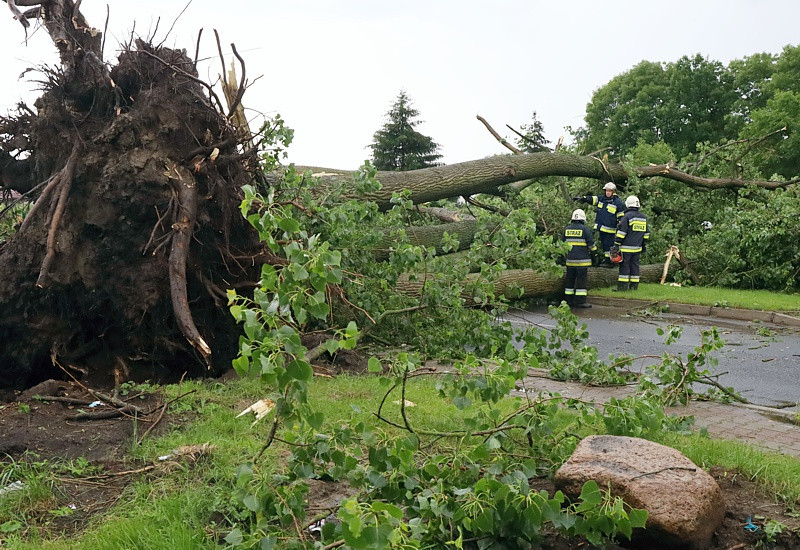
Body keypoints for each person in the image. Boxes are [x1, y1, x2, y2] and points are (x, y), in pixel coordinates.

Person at [574, 182, 625, 265]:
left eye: (609, 191)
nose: (607, 193)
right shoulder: (602, 199)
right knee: (604, 246)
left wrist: (620, 222)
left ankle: (610, 262)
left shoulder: (617, 202)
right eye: (606, 191)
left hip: (610, 229)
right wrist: (584, 198)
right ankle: (607, 260)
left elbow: (620, 215)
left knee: (609, 246)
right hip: (601, 228)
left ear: (613, 192)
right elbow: (593, 199)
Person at [562, 208, 597, 308]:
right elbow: (592, 246)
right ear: (583, 219)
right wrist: (595, 258)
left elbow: (561, 245)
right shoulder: (585, 230)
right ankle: (580, 301)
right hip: (582, 262)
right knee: (581, 282)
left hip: (570, 262)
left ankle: (568, 301)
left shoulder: (566, 229)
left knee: (569, 281)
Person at [614, 195, 649, 291]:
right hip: (637, 248)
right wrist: (643, 244)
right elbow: (646, 234)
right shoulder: (643, 217)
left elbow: (622, 232)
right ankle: (634, 287)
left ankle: (622, 288)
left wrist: (616, 244)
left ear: (628, 205)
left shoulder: (627, 216)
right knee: (635, 267)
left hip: (626, 248)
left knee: (624, 267)